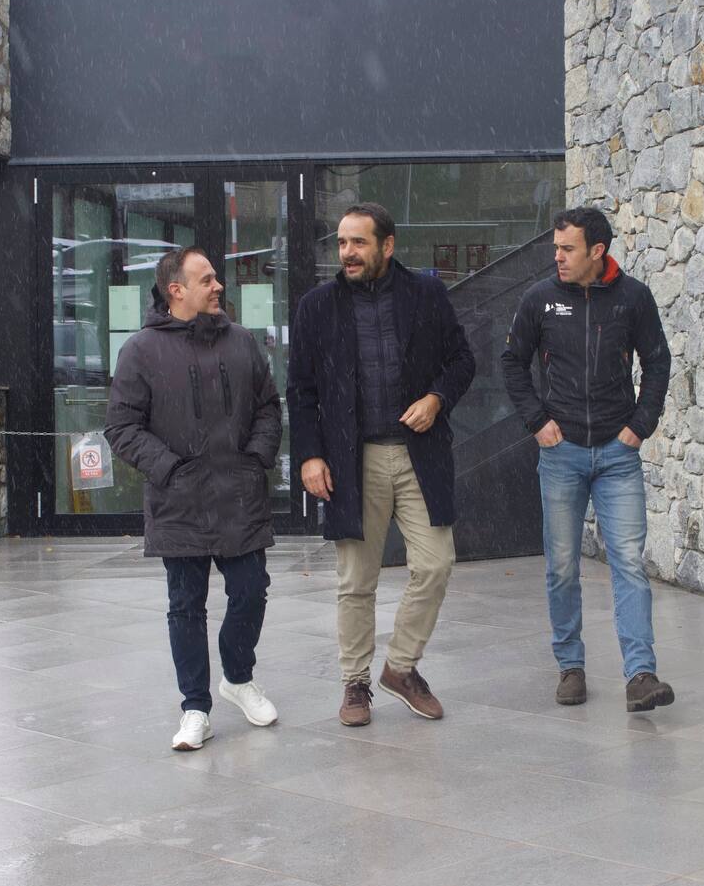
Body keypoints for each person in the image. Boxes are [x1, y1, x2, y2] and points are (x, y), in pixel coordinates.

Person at [287, 203, 475, 726]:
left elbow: (463, 361)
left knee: (435, 564)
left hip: (420, 455)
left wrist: (437, 398)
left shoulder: (427, 295)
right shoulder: (317, 307)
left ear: (387, 246)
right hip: (351, 461)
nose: (346, 253)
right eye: (341, 243)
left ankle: (402, 668)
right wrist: (309, 455)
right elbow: (300, 391)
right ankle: (355, 683)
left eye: (358, 243)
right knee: (356, 580)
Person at [105, 246, 282, 750]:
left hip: (239, 496)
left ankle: (238, 677)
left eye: (215, 278)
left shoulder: (241, 341)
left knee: (251, 591)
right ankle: (195, 708)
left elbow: (269, 407)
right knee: (186, 606)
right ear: (176, 290)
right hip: (179, 501)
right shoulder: (140, 350)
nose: (218, 286)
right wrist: (170, 469)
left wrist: (255, 459)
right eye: (206, 280)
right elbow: (121, 427)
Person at [501, 207, 674, 712]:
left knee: (629, 563)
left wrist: (640, 426)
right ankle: (571, 667)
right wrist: (537, 421)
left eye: (567, 248)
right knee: (561, 567)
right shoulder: (540, 299)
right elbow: (512, 363)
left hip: (618, 455)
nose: (557, 257)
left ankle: (640, 675)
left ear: (597, 251)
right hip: (562, 454)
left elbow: (657, 361)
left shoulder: (633, 298)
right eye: (555, 248)